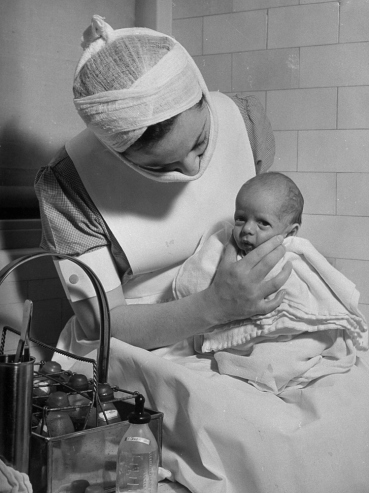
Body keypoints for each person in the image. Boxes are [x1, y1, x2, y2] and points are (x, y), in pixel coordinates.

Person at [34, 16, 369, 493]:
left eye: (200, 143)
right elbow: (99, 323)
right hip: (137, 343)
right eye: (162, 166)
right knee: (273, 440)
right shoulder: (69, 184)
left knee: (351, 399)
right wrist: (215, 306)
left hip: (244, 317)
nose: (192, 168)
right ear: (116, 155)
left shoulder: (243, 122)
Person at [172, 172, 367, 393]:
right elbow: (199, 279)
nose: (247, 229)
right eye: (241, 218)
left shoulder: (293, 252)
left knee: (301, 347)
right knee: (248, 356)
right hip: (240, 332)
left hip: (286, 329)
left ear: (289, 232)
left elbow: (321, 279)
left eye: (263, 223)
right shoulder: (224, 246)